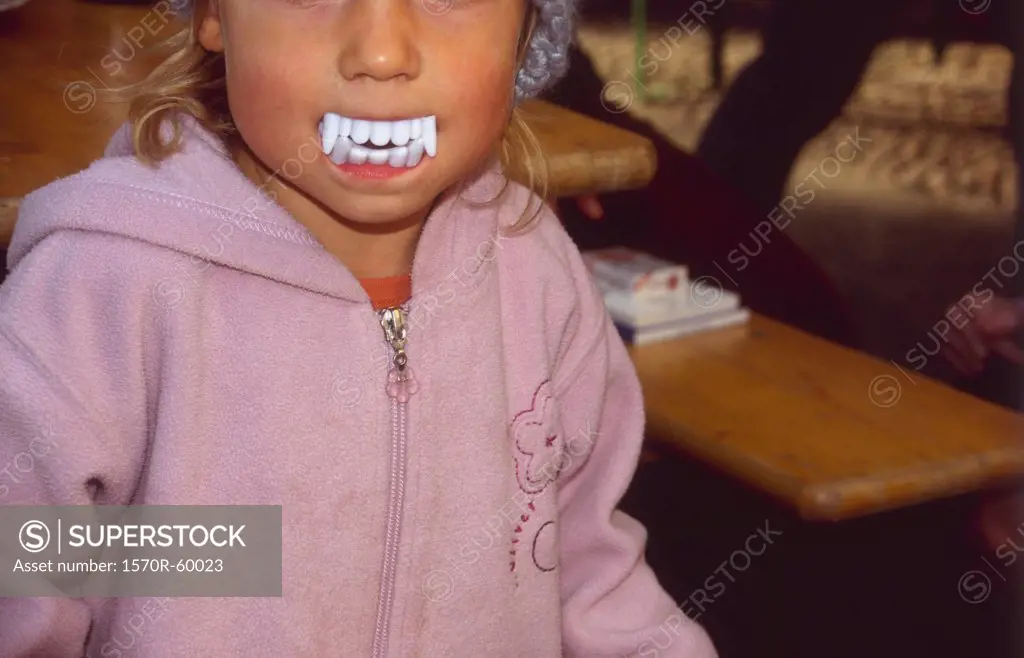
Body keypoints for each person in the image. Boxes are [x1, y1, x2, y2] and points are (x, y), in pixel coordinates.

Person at [0, 2, 718, 657]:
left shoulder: (539, 273)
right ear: (214, 14)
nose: (380, 52)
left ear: (528, 28)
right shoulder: (101, 289)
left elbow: (588, 567)